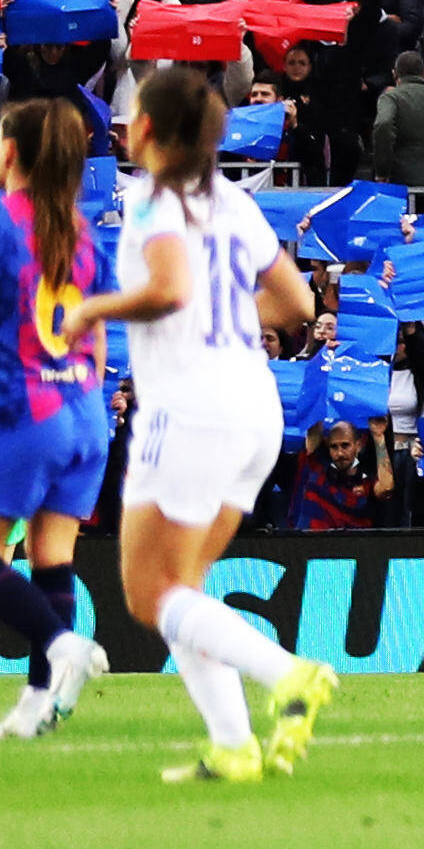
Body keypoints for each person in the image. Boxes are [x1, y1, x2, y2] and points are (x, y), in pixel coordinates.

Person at [70, 66, 337, 784]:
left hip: (190, 407)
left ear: (147, 130)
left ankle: (290, 674)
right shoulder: (231, 202)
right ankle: (233, 746)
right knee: (183, 587)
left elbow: (167, 288)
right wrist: (216, 325)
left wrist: (92, 312)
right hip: (253, 402)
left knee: (148, 593)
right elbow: (296, 303)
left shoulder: (154, 201)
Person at [0, 96, 110, 735]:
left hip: (27, 410)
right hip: (85, 410)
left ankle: (57, 644)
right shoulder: (78, 227)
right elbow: (93, 329)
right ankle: (41, 701)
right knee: (51, 557)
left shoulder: (7, 223)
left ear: (11, 151)